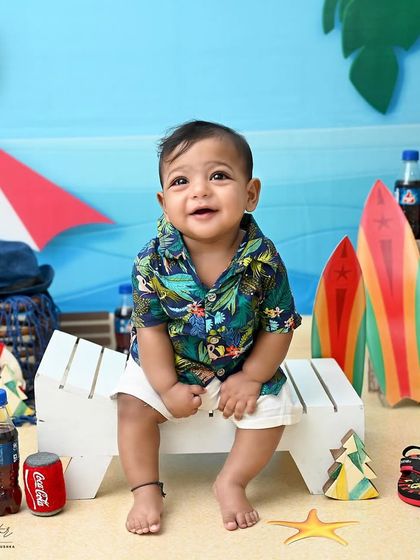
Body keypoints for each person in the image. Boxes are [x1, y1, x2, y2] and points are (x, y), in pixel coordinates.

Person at [114, 120, 302, 535]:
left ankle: (231, 480)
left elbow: (279, 325)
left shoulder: (264, 260)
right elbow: (151, 330)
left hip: (240, 362)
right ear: (165, 203)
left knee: (273, 412)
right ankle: (145, 489)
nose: (200, 190)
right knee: (131, 408)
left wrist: (253, 377)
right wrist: (164, 388)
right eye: (181, 181)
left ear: (250, 193)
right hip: (169, 361)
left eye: (218, 175)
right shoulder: (152, 262)